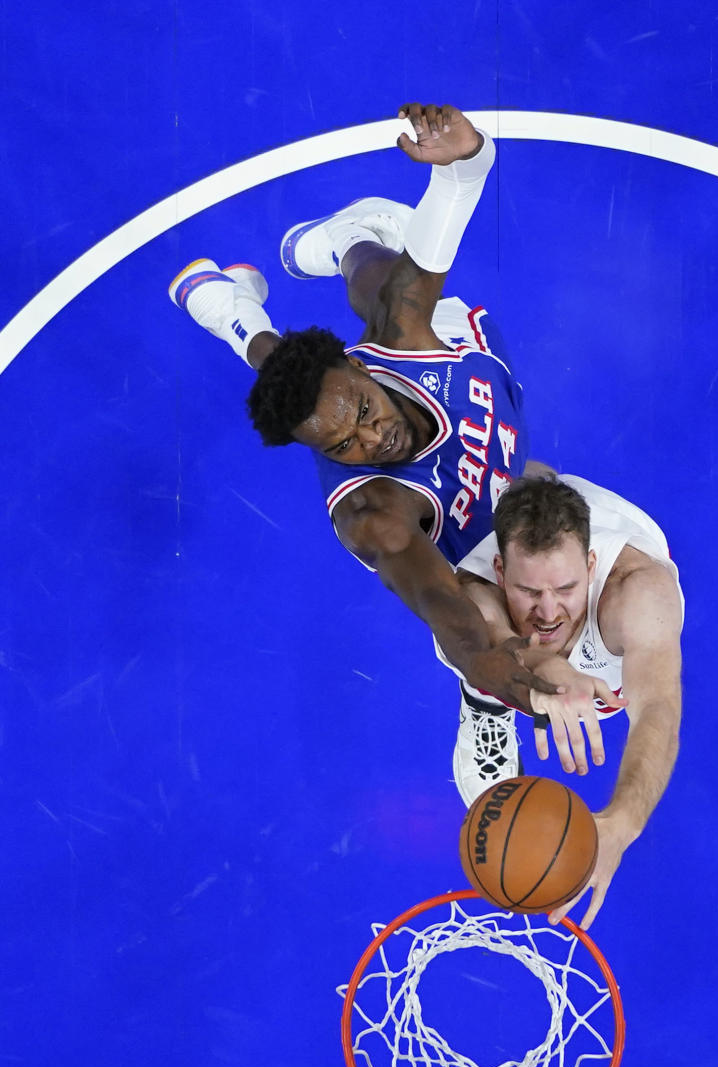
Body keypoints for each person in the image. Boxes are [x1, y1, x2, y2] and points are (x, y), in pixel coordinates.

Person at [169, 102, 554, 713]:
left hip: (454, 351)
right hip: (483, 533)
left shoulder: (393, 342)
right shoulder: (373, 512)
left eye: (367, 411)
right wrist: (479, 661)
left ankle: (350, 233)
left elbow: (440, 239)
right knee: (290, 376)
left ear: (361, 363)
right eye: (343, 446)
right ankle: (225, 308)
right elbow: (438, 601)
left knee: (387, 284)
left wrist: (465, 164)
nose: (372, 441)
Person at [441, 474, 684, 929]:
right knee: (463, 639)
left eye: (566, 590)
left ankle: (538, 478)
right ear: (500, 572)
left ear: (591, 567)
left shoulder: (637, 591)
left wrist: (624, 821)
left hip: (613, 546)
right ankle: (483, 703)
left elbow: (659, 709)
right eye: (529, 592)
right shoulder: (478, 583)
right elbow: (493, 639)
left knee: (540, 480)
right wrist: (547, 667)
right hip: (495, 581)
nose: (549, 612)